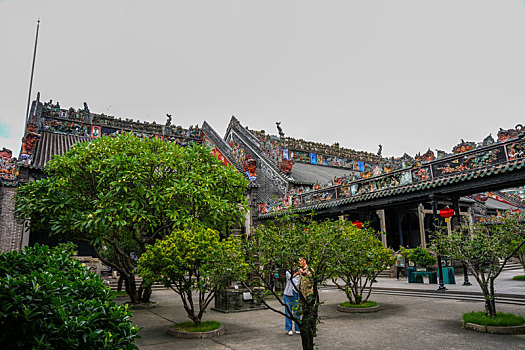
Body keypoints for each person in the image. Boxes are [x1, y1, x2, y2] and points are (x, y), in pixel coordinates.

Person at [283, 268, 301, 336]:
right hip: (287, 294)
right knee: (288, 312)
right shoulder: (288, 272)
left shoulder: (300, 273)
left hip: (296, 294)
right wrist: (297, 273)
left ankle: (298, 328)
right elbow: (291, 277)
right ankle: (289, 329)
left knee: (297, 312)